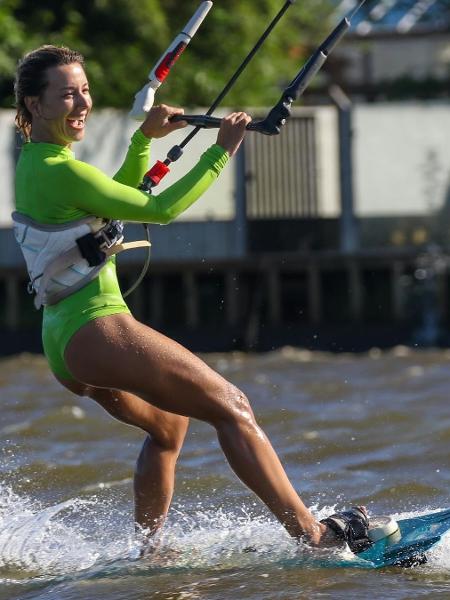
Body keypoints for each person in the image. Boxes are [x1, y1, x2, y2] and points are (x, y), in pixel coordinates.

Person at [13, 45, 370, 553]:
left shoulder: (40, 164)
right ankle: (314, 536)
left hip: (64, 342)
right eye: (67, 94)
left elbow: (116, 200)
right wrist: (220, 150)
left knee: (169, 427)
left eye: (86, 90)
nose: (83, 103)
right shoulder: (60, 169)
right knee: (232, 407)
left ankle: (151, 552)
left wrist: (143, 140)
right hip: (94, 325)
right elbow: (157, 209)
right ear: (34, 104)